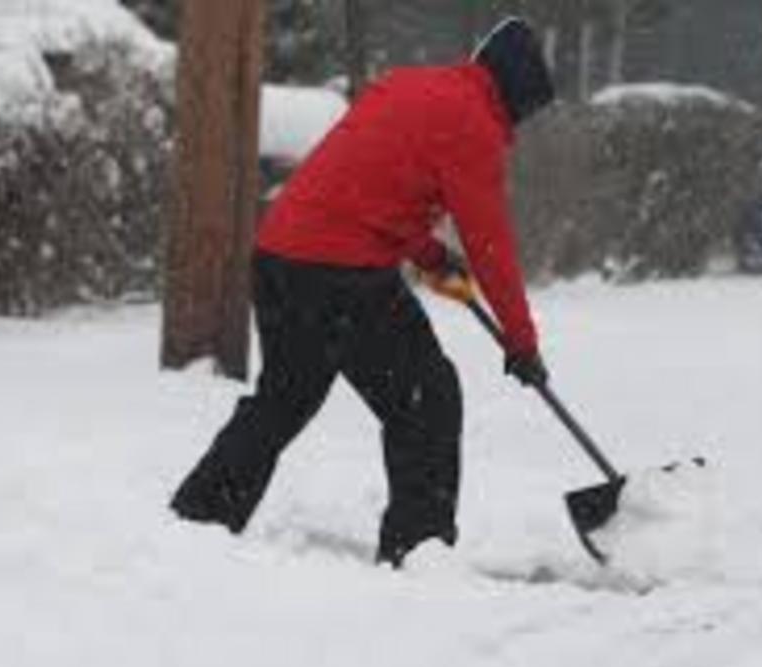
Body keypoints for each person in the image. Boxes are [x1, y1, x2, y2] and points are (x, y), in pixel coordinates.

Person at [170, 17, 556, 567]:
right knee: (427, 399)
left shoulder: (410, 86)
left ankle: (197, 517)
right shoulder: (475, 126)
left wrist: (425, 253)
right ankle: (418, 552)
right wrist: (521, 341)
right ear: (517, 94)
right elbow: (491, 244)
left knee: (285, 399)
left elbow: (364, 185)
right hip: (341, 277)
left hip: (281, 258)